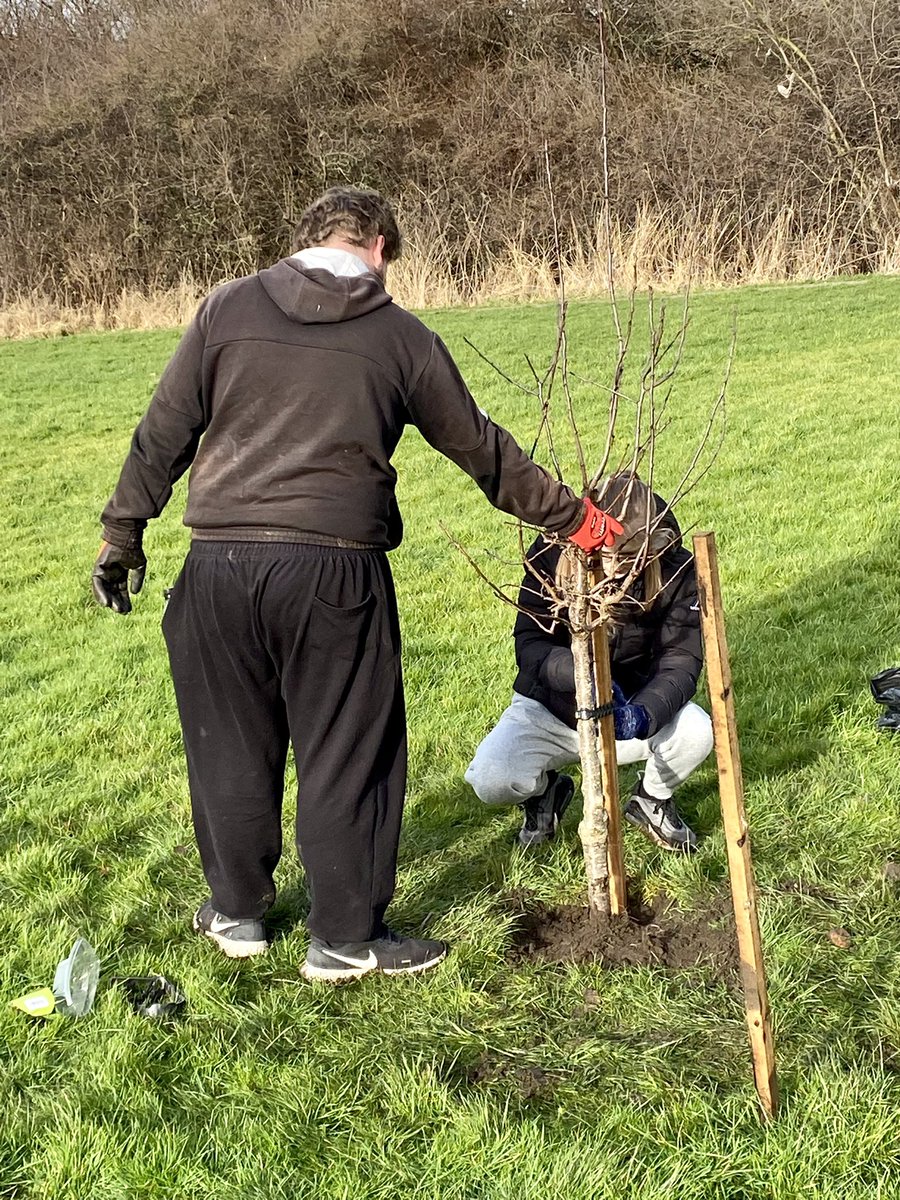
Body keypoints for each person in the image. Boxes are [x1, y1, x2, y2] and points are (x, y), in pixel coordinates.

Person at [91, 186, 625, 982]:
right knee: (348, 750)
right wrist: (576, 520)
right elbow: (481, 450)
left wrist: (122, 534)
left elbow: (165, 426)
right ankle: (343, 939)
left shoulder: (224, 309)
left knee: (228, 745)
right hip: (333, 570)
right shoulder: (399, 335)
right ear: (375, 244)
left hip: (217, 566)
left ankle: (236, 914)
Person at [465, 473, 713, 853]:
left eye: (630, 561)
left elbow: (680, 662)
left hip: (629, 708)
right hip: (553, 709)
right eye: (609, 559)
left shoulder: (678, 572)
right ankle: (545, 794)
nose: (617, 574)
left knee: (697, 731)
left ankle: (652, 799)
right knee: (492, 777)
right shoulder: (548, 556)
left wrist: (642, 714)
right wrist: (581, 678)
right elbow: (530, 644)